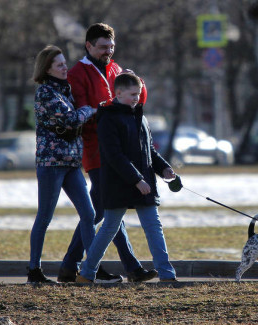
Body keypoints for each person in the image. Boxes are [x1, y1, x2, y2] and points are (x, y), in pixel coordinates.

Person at [58, 23, 157, 283]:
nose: (108, 52)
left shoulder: (116, 69)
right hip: (97, 151)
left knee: (107, 211)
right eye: (102, 47)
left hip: (121, 154)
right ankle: (106, 267)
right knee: (103, 211)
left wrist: (139, 84)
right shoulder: (78, 73)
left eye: (111, 47)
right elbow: (83, 110)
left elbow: (137, 103)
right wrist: (109, 108)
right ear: (88, 46)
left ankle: (72, 267)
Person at [76, 73, 177, 283]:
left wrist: (164, 168)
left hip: (143, 184)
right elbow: (114, 156)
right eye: (132, 94)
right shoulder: (108, 118)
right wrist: (136, 180)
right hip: (118, 185)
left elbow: (149, 151)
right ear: (118, 93)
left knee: (153, 226)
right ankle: (86, 273)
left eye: (138, 94)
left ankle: (167, 275)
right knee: (109, 227)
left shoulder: (140, 117)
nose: (136, 98)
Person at [28, 45, 97, 283]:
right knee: (45, 217)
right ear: (47, 69)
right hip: (51, 163)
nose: (64, 67)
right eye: (59, 64)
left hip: (71, 163)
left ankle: (90, 269)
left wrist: (84, 109)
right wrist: (90, 108)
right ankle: (34, 271)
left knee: (89, 214)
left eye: (65, 62)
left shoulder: (65, 90)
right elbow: (70, 119)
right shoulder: (46, 92)